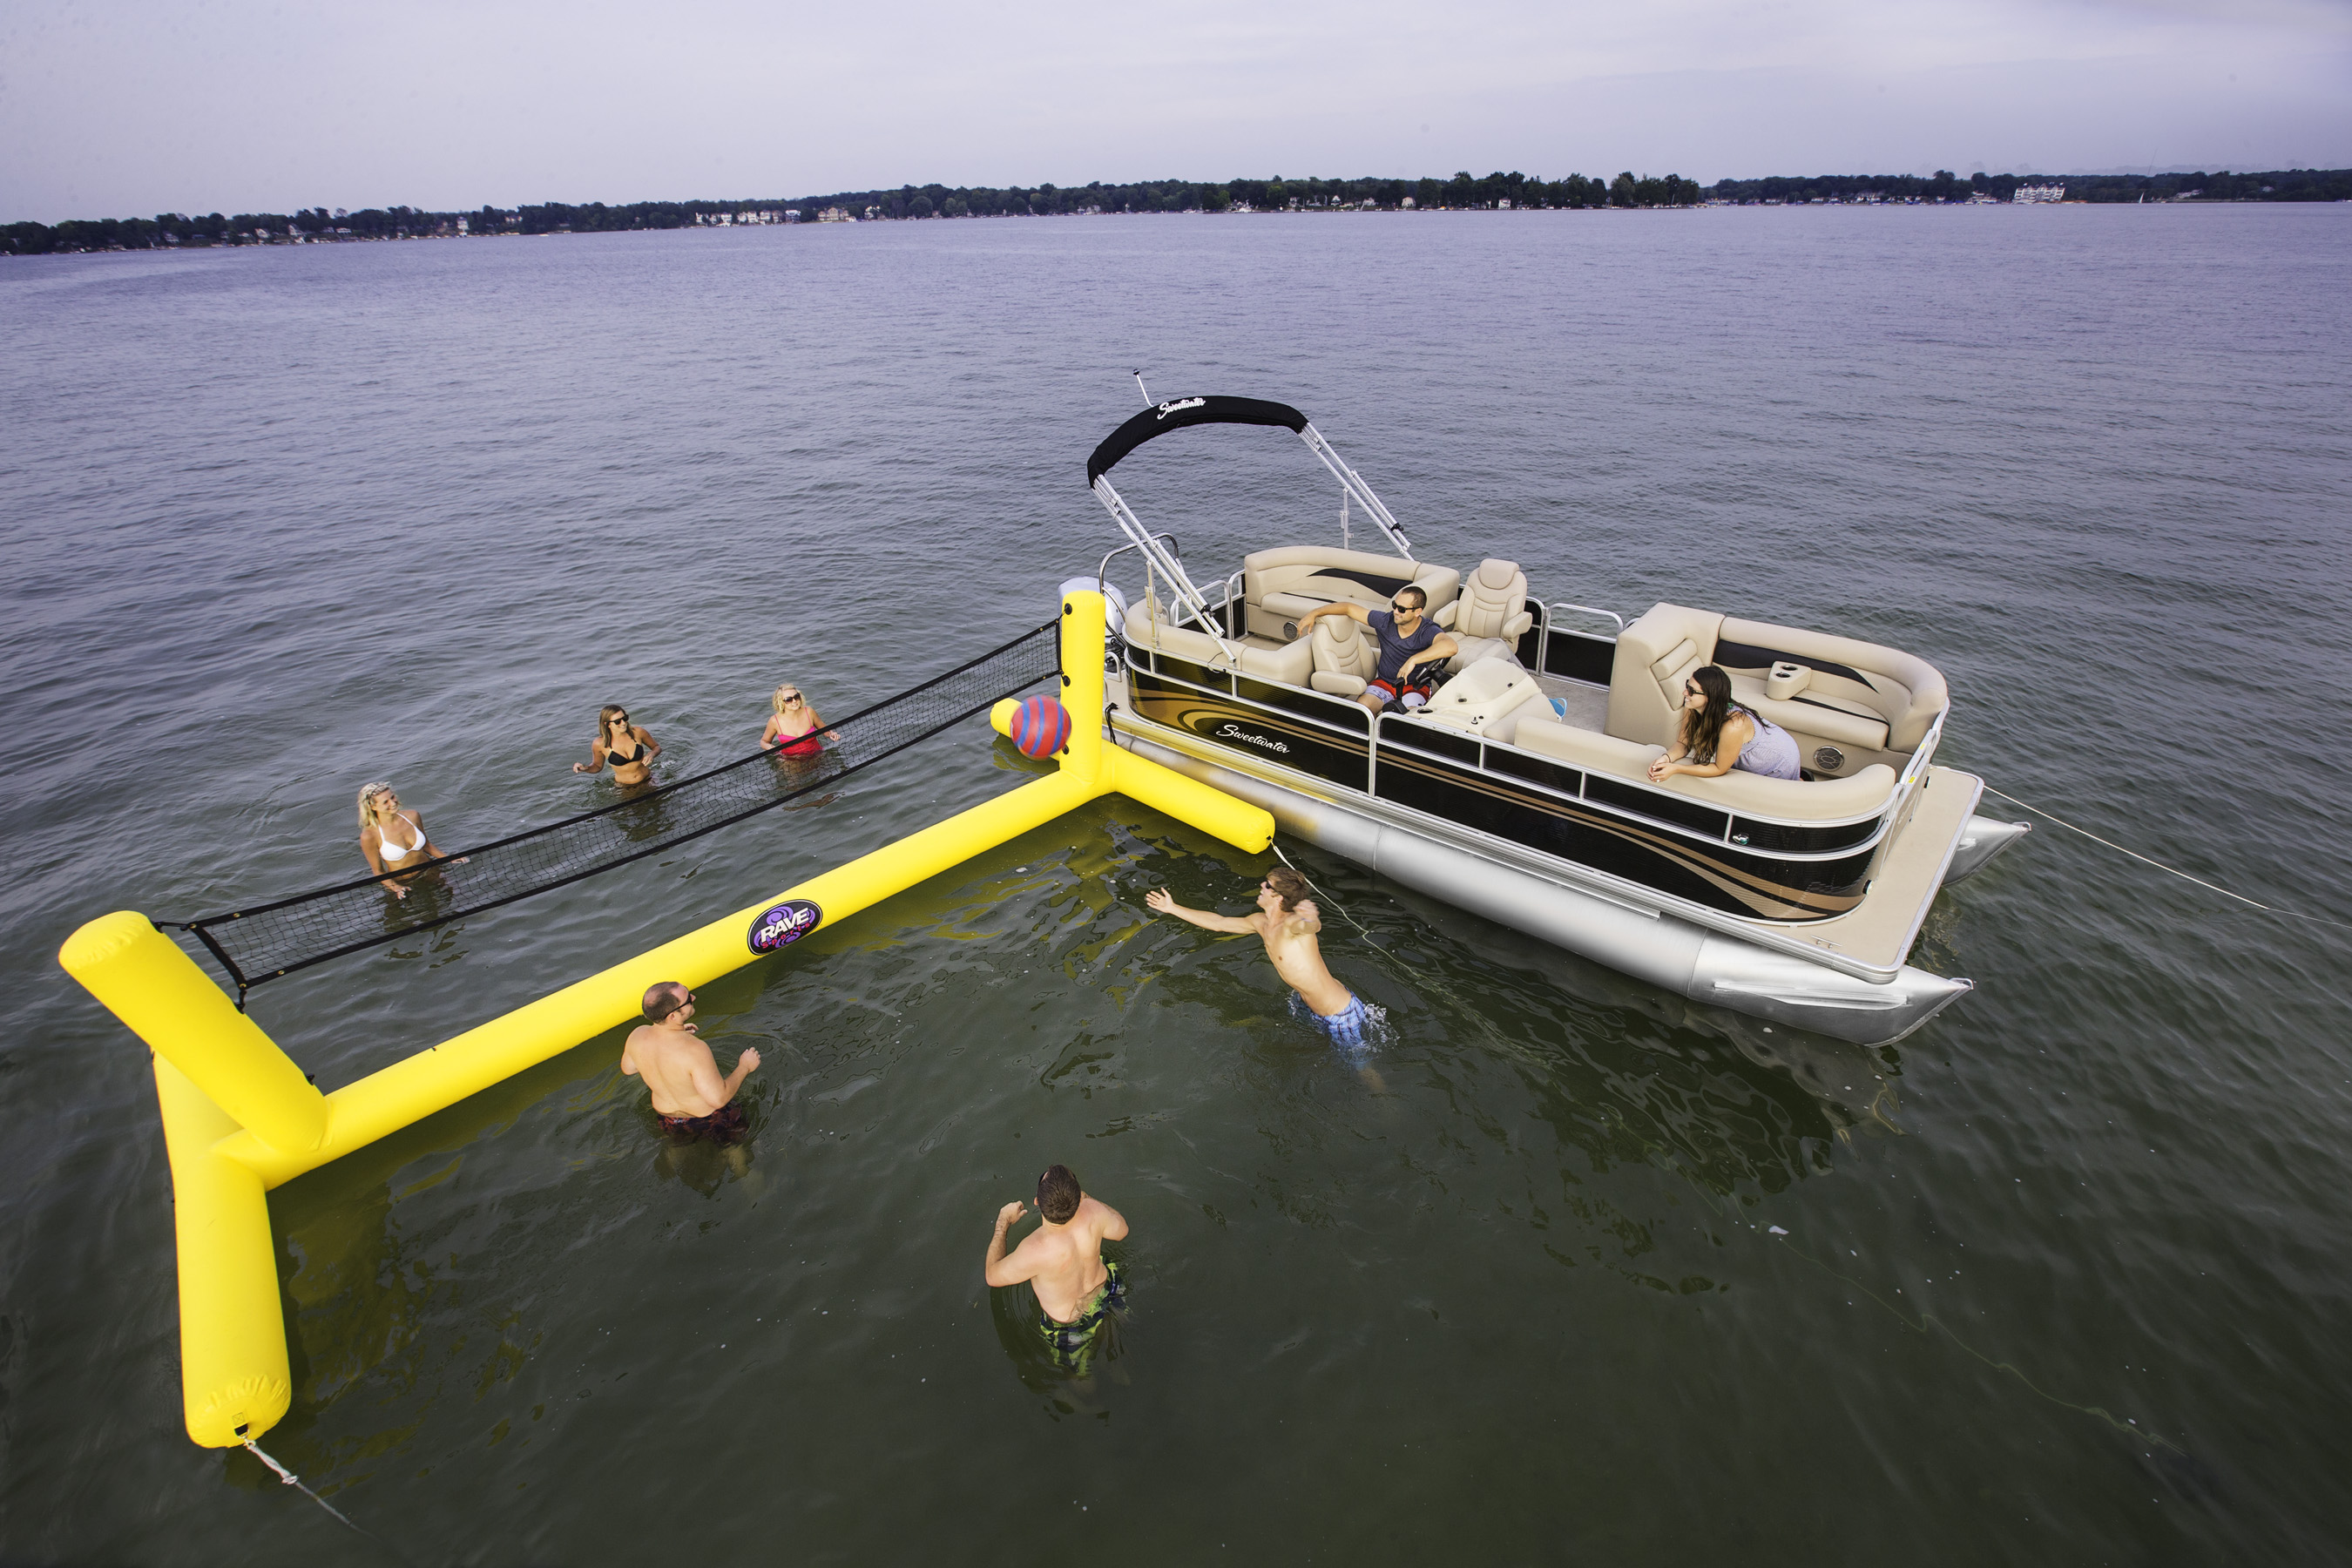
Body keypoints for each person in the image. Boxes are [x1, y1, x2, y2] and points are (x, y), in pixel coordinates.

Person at [1146, 867, 1376, 1051]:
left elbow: (1311, 927)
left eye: (1267, 885)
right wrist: (1173, 908)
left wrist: (1311, 918)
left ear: (1278, 897)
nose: (1261, 886)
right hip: (1307, 1005)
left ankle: (1384, 1104)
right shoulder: (1261, 922)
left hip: (1339, 1013)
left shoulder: (1291, 925)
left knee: (1360, 1067)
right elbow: (1218, 923)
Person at [984, 1165, 1129, 1372]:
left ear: (1037, 1202)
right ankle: (1122, 1372)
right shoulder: (1093, 1211)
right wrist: (1088, 1199)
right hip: (1110, 1290)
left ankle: (1090, 1404)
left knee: (1081, 1378)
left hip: (1069, 1324)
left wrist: (1003, 1223)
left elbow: (992, 1275)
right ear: (1078, 1197)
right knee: (1120, 1349)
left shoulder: (1033, 1249)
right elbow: (1122, 1230)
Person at [619, 981, 761, 1141]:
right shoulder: (695, 1049)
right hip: (709, 1118)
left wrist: (676, 1032)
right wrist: (745, 1066)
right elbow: (718, 1099)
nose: (693, 997)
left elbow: (628, 1068)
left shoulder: (636, 1036)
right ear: (673, 1016)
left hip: (668, 1119)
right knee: (735, 1150)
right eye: (687, 999)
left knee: (677, 1151)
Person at [1293, 586, 1458, 716]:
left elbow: (1451, 646)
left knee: (1409, 721)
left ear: (1417, 612)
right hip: (1384, 683)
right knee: (1360, 711)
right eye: (1395, 605)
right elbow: (1349, 608)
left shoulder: (1427, 630)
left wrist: (1413, 660)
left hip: (1414, 688)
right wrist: (1314, 613)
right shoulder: (1386, 621)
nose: (1395, 611)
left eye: (1402, 609)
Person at [1647, 665, 1801, 784]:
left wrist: (1676, 769)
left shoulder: (1732, 726)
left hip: (1778, 759)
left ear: (1710, 697)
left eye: (1692, 691)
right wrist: (1666, 758)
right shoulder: (1692, 707)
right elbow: (1683, 742)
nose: (1685, 693)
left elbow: (1720, 768)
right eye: (1687, 686)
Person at [357, 781, 453, 901]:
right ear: (372, 807)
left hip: (430, 871)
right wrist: (395, 887)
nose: (393, 803)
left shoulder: (413, 816)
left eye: (392, 797)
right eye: (385, 802)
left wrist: (450, 859)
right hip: (404, 883)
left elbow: (427, 846)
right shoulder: (370, 836)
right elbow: (378, 871)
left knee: (455, 898)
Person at [575, 704, 660, 783]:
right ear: (607, 724)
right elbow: (597, 766)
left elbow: (656, 747)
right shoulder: (599, 744)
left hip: (649, 779)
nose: (623, 723)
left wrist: (652, 754)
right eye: (618, 721)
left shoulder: (638, 732)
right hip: (624, 787)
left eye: (625, 718)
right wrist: (585, 768)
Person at [760, 683, 831, 757]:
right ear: (781, 702)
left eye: (796, 697)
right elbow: (764, 741)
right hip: (791, 761)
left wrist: (831, 734)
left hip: (816, 755)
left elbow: (825, 730)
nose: (794, 701)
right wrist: (769, 747)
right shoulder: (774, 721)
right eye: (789, 699)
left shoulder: (809, 712)